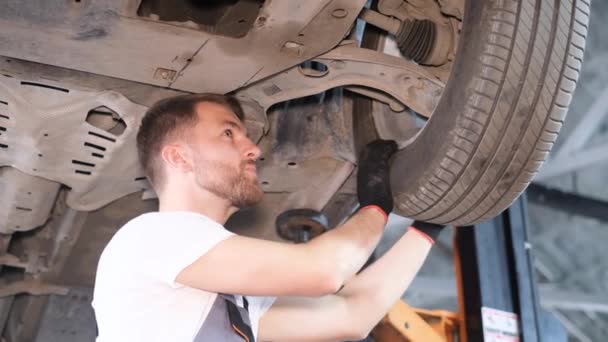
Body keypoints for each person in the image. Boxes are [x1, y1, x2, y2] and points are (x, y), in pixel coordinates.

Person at [92, 93, 446, 342]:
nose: (254, 149)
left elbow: (352, 316)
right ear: (178, 158)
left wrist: (430, 225)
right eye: (228, 133)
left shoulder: (225, 299)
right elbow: (324, 271)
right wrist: (375, 209)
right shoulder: (150, 238)